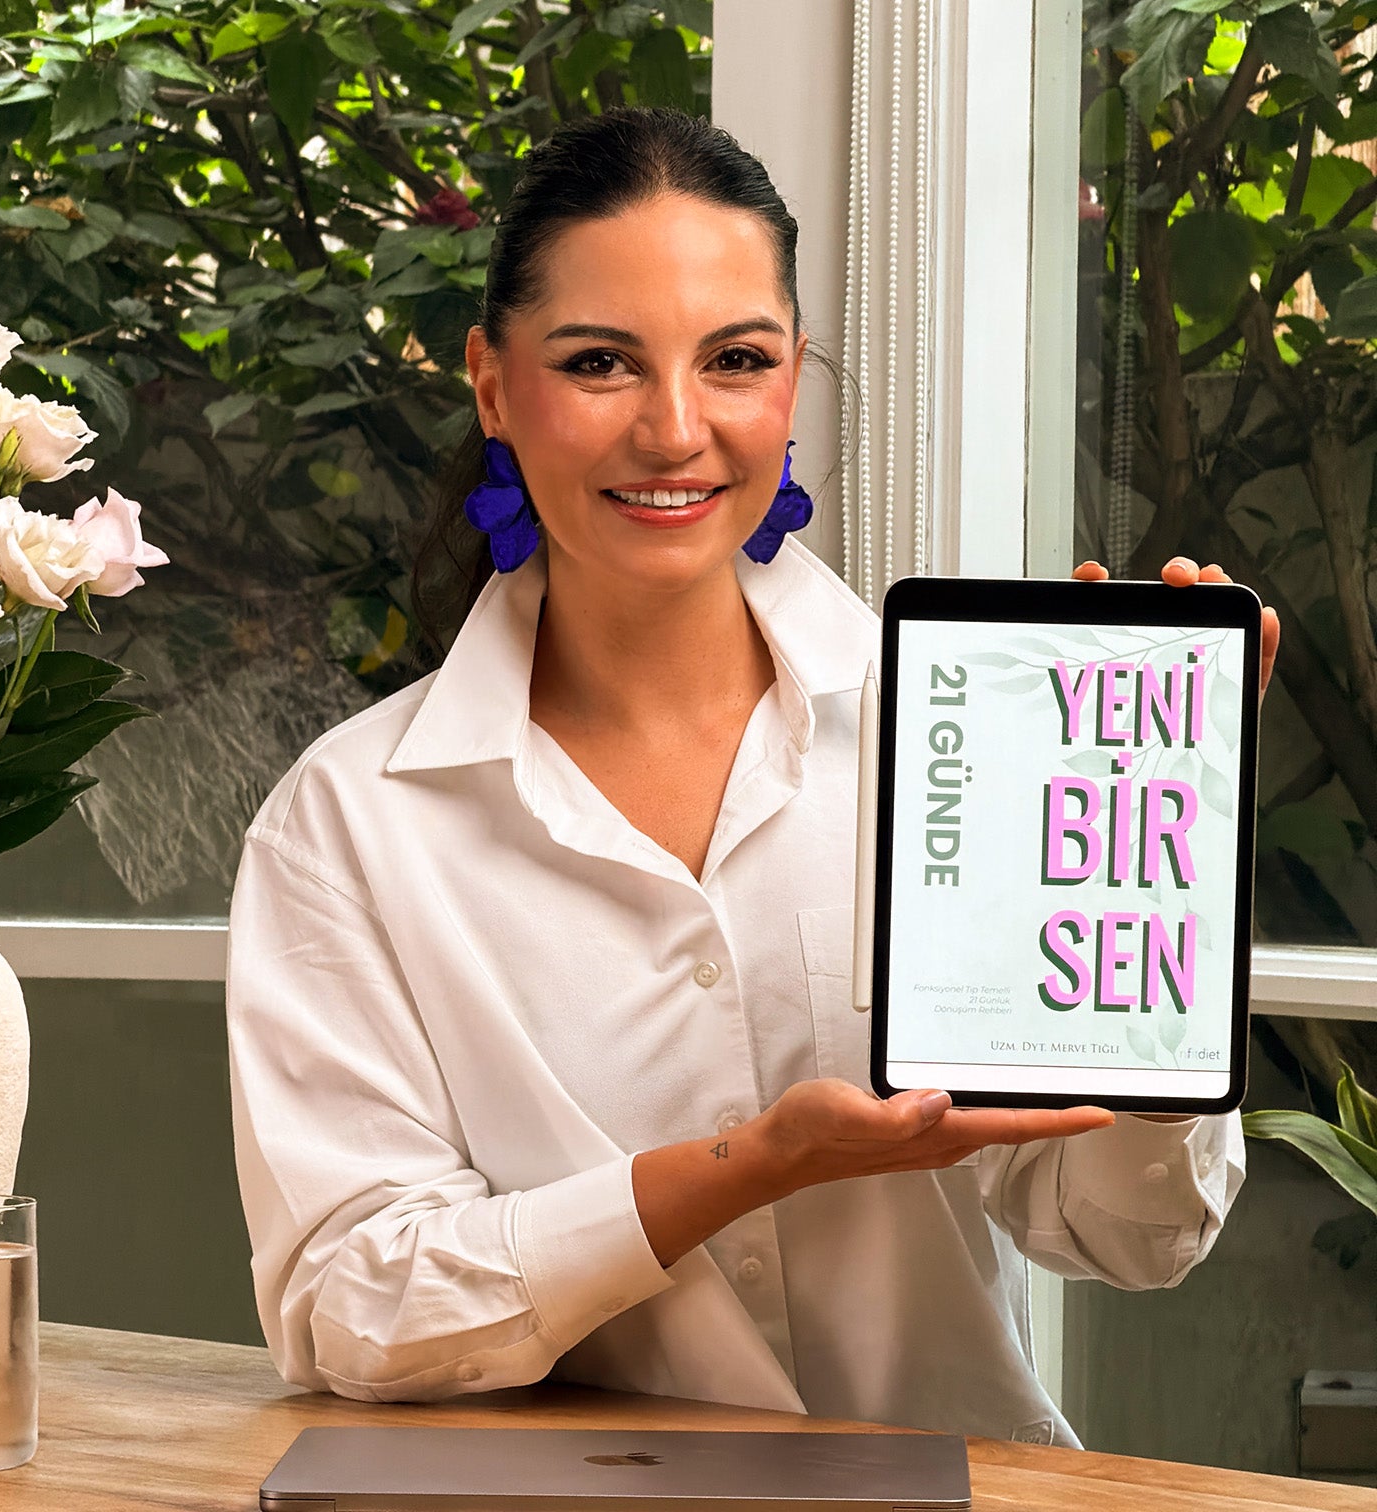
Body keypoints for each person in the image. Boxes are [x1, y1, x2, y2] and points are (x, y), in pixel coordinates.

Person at [226, 107, 1279, 1447]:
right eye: (600, 362)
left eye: (736, 360)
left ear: (792, 376)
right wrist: (742, 1169)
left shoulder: (974, 737)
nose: (676, 431)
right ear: (492, 384)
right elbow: (351, 1309)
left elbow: (1131, 1234)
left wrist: (1155, 869)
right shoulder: (350, 823)